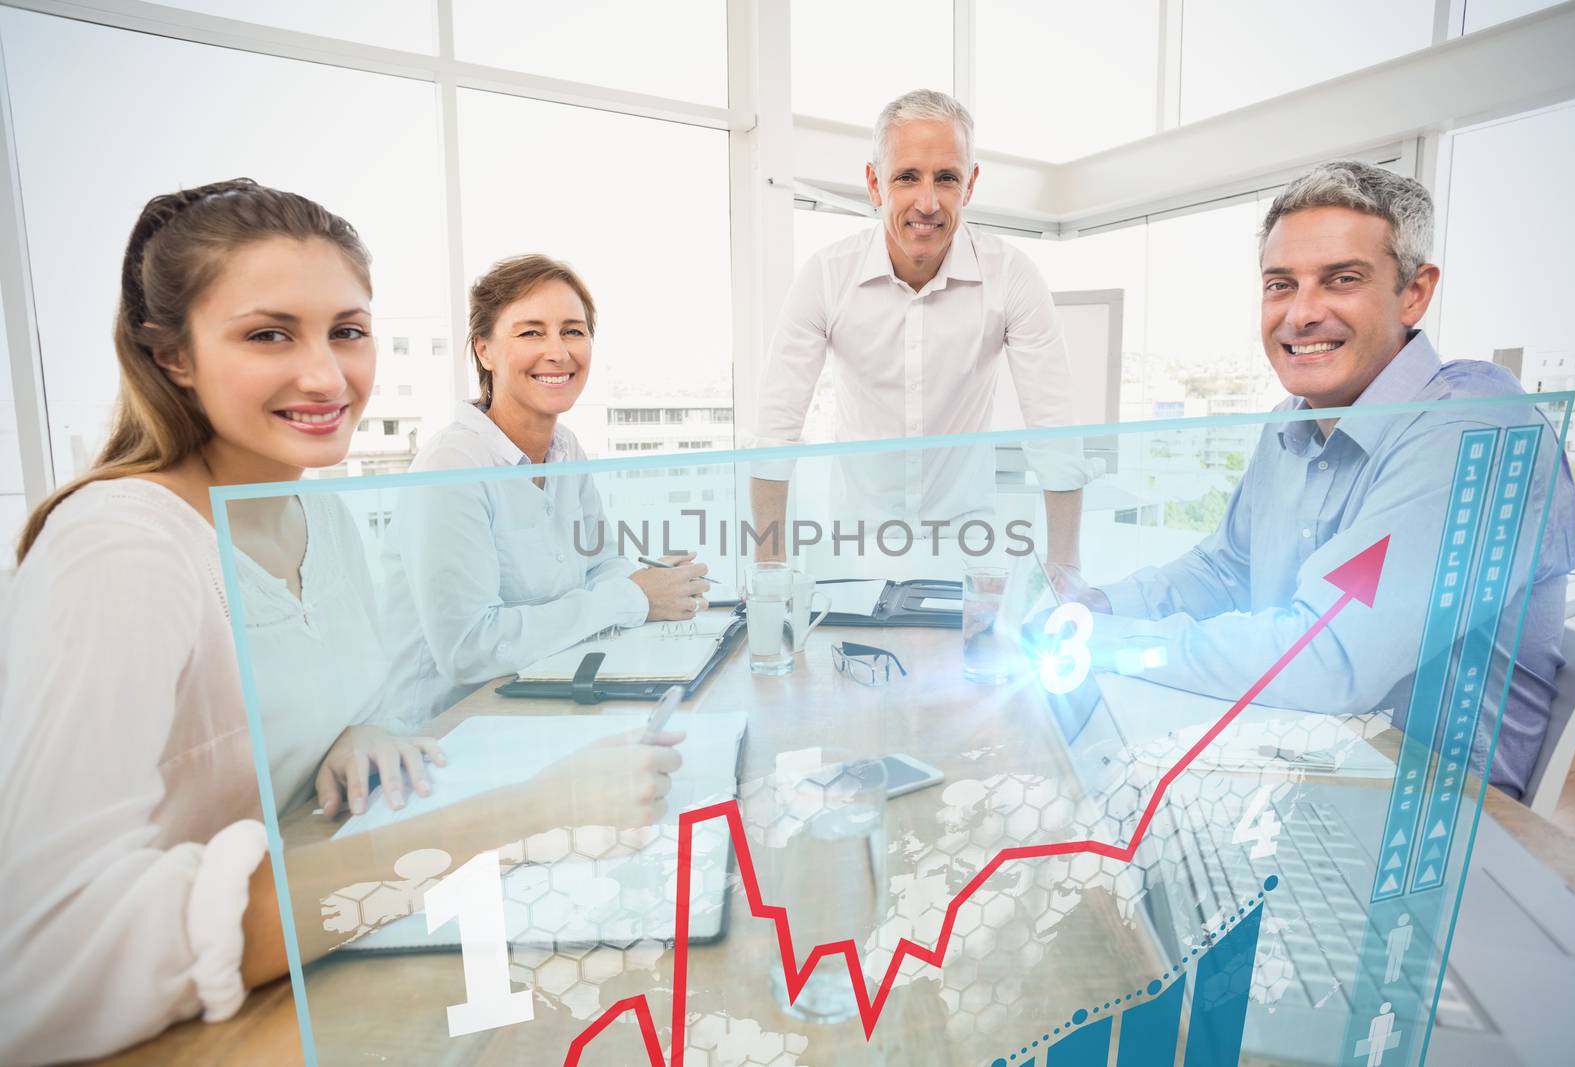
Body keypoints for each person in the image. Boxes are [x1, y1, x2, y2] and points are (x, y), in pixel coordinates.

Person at [0, 184, 682, 1065]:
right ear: (170, 355)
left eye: (347, 331)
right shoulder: (119, 549)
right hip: (201, 1031)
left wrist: (353, 729)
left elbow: (266, 733)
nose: (327, 376)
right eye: (268, 334)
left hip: (324, 954)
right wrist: (524, 815)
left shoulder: (321, 515)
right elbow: (41, 954)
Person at [1078, 160, 1575, 799]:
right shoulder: (1292, 421)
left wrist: (1107, 642)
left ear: (1414, 293)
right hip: (1304, 760)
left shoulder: (1473, 428)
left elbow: (1330, 659)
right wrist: (1100, 606)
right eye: (1280, 285)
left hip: (1430, 820)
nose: (1301, 314)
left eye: (1341, 280)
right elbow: (1224, 570)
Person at [750, 89, 1094, 575]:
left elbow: (1055, 431)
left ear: (970, 185)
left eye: (947, 178)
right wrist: (769, 577)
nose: (927, 202)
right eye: (907, 177)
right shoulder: (826, 276)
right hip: (856, 545)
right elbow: (775, 434)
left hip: (969, 544)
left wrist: (1066, 574)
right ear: (874, 184)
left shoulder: (1012, 275)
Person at [379, 254, 709, 723]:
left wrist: (653, 584)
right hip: (449, 736)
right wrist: (634, 599)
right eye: (531, 332)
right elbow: (470, 649)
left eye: (573, 330)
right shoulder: (451, 467)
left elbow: (602, 563)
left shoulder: (564, 448)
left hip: (543, 699)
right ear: (484, 350)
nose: (558, 351)